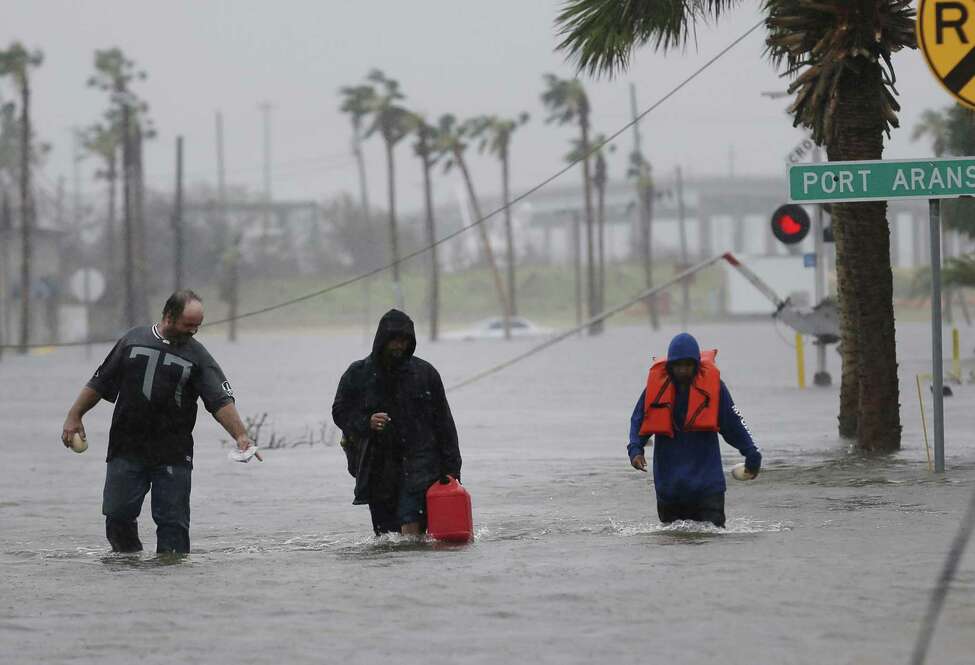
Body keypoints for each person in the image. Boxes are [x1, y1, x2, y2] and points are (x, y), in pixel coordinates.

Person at [60, 289, 259, 554]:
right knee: (117, 516)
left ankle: (171, 583)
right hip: (126, 447)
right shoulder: (132, 340)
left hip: (173, 453)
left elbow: (220, 400)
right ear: (168, 316)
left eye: (198, 326)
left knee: (173, 526)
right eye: (188, 325)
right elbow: (100, 382)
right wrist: (75, 415)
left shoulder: (198, 356)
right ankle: (128, 569)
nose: (193, 332)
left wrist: (241, 435)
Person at [332, 309, 461, 536]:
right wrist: (366, 422)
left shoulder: (425, 373)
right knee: (386, 537)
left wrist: (452, 470)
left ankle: (413, 567)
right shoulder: (358, 374)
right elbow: (340, 412)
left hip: (421, 463)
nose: (399, 346)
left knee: (411, 525)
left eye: (404, 341)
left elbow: (444, 424)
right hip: (378, 465)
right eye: (394, 340)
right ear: (382, 340)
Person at [628, 332, 761, 528]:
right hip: (669, 486)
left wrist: (752, 453)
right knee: (673, 541)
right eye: (678, 365)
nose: (683, 370)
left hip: (707, 485)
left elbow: (734, 423)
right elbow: (638, 420)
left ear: (696, 365)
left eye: (688, 365)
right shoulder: (655, 390)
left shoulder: (715, 389)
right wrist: (635, 450)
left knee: (712, 541)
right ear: (670, 366)